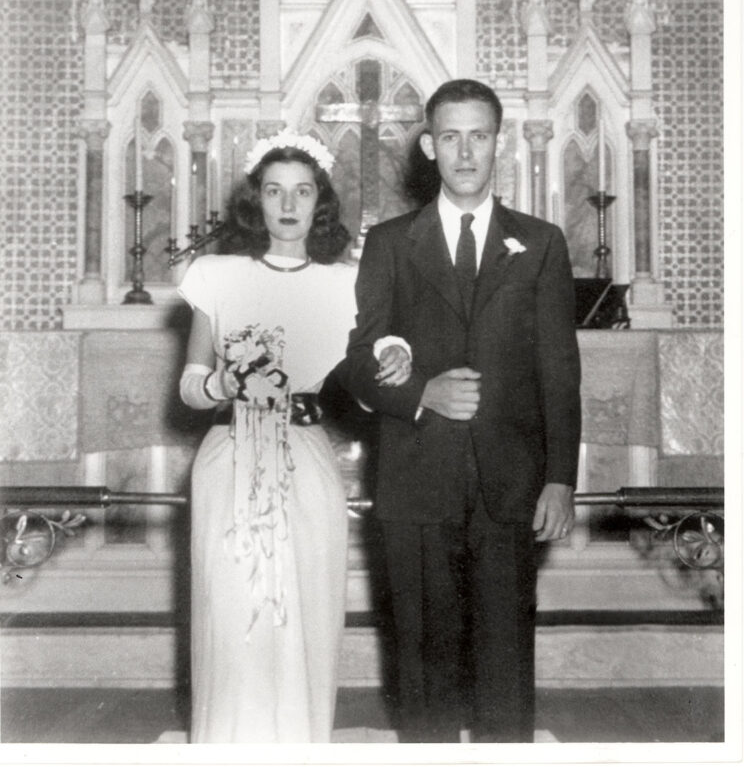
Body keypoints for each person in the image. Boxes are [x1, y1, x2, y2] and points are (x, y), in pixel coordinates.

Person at [333, 79, 582, 743]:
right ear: (428, 146)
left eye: (478, 135)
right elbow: (356, 360)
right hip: (417, 484)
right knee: (424, 674)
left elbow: (559, 371)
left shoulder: (542, 243)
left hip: (510, 486)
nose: (465, 151)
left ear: (497, 142)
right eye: (450, 136)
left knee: (505, 669)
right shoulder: (390, 242)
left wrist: (560, 477)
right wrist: (421, 394)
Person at [177, 129, 409, 743]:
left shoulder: (347, 281)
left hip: (306, 456)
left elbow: (369, 369)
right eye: (275, 191)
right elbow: (190, 386)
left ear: (320, 203)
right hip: (228, 457)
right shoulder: (216, 273)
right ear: (257, 200)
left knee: (303, 608)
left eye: (302, 192)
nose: (288, 204)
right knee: (232, 611)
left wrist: (395, 356)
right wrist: (223, 383)